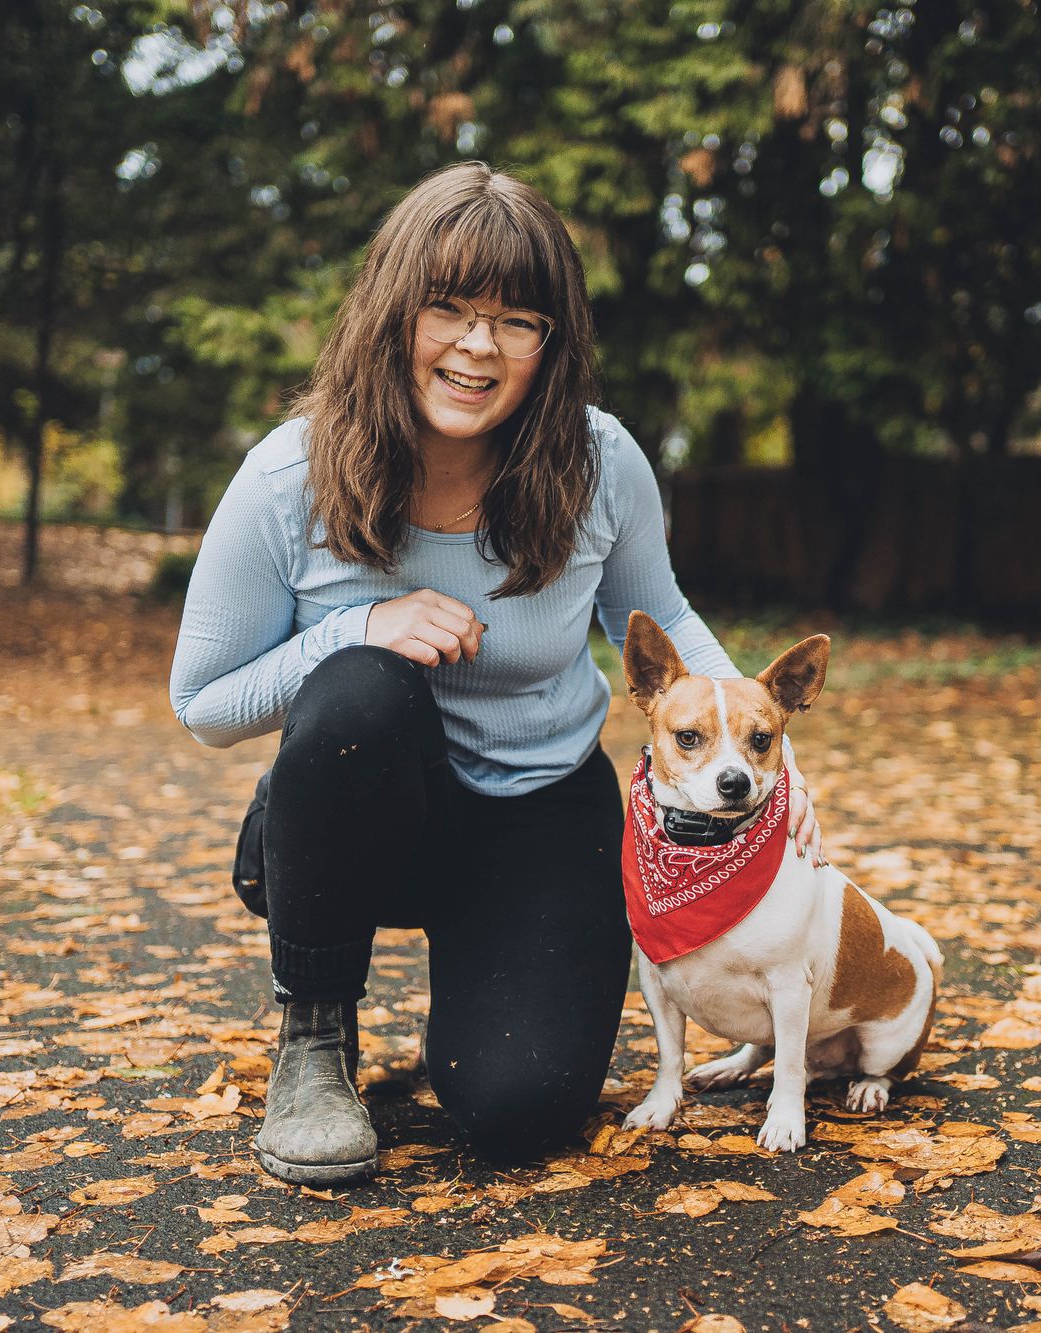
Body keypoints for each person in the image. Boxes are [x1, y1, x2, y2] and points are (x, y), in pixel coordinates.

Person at [168, 161, 820, 1185]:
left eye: (518, 320)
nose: (479, 346)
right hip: (373, 798)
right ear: (393, 312)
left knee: (518, 1111)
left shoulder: (598, 464)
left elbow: (666, 614)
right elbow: (202, 705)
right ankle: (315, 1028)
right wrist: (363, 624)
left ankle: (470, 995)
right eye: (448, 309)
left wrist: (754, 743)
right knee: (361, 685)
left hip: (538, 812)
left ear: (549, 346)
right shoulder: (288, 476)